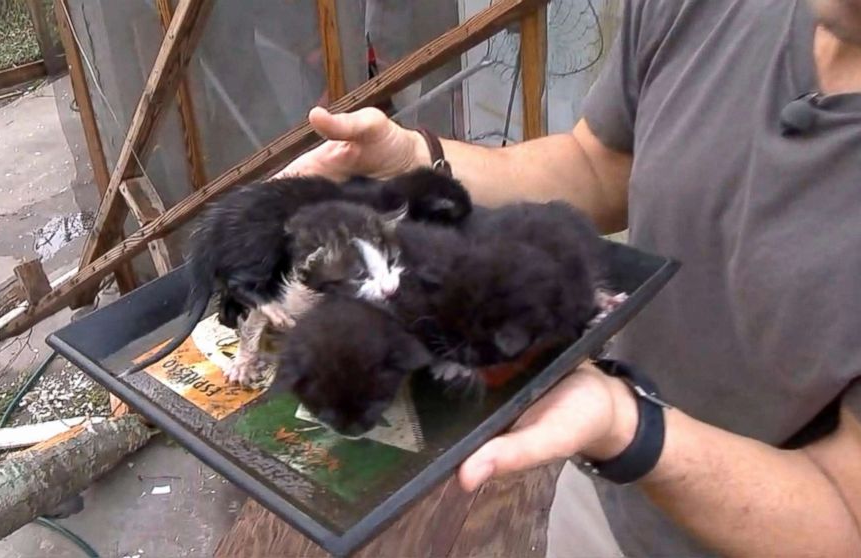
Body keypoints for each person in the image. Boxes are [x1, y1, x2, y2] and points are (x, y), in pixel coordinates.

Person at [280, 0, 861, 555]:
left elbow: (846, 524)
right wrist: (415, 163)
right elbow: (597, 166)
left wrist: (625, 427)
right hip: (609, 492)